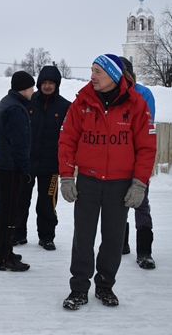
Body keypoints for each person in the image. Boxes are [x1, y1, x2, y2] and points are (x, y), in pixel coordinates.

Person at [59, 54, 156, 310]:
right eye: (92, 70)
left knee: (113, 238)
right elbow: (67, 140)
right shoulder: (81, 103)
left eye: (97, 72)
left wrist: (139, 184)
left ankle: (105, 285)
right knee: (83, 237)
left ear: (114, 76)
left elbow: (147, 147)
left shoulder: (136, 104)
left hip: (119, 183)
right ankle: (79, 288)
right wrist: (67, 176)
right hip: (89, 181)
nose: (92, 76)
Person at [15, 65, 71, 251]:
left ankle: (46, 236)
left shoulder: (65, 107)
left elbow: (69, 136)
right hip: (27, 164)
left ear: (57, 84)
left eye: (51, 83)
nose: (47, 86)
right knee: (21, 199)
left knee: (48, 203)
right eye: (44, 82)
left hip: (51, 166)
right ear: (39, 84)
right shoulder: (28, 102)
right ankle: (18, 234)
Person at [0, 71, 35, 272]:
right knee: (10, 213)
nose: (33, 92)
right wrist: (26, 170)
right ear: (24, 88)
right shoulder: (16, 109)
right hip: (10, 167)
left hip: (2, 164)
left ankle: (1, 250)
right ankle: (5, 257)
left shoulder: (7, 102)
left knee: (5, 211)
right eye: (31, 87)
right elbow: (19, 144)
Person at [119, 56, 157, 269]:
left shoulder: (144, 94)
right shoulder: (111, 93)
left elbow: (146, 128)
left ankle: (144, 251)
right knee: (117, 204)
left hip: (137, 159)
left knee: (141, 203)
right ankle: (120, 244)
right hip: (117, 159)